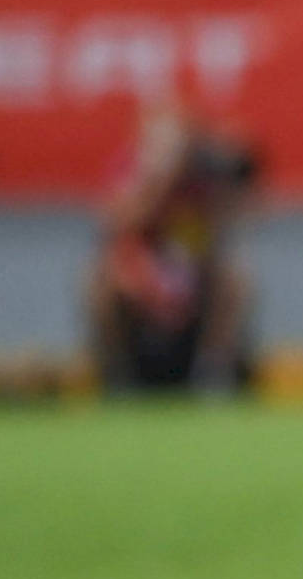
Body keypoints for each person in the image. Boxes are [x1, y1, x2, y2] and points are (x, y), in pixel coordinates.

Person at [90, 107, 259, 394]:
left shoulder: (200, 176)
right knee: (99, 282)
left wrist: (223, 161)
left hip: (192, 271)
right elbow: (114, 222)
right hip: (140, 270)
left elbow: (243, 207)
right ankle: (116, 375)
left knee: (236, 281)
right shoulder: (131, 168)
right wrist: (158, 181)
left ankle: (213, 372)